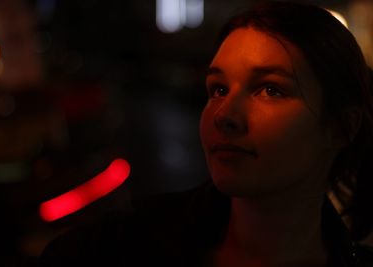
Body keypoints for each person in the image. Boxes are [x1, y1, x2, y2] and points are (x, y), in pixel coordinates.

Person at [38, 1, 373, 266]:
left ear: (342, 127)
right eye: (218, 89)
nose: (225, 115)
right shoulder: (111, 250)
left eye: (271, 89)